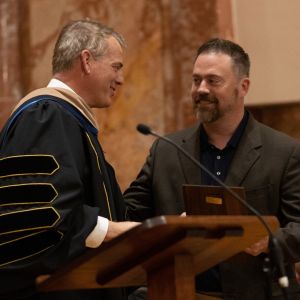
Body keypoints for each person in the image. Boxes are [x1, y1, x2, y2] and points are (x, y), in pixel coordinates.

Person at [124, 38, 300, 299]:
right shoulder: (166, 149)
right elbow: (129, 214)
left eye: (213, 81)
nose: (201, 89)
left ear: (243, 87)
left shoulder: (284, 152)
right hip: (179, 291)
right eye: (196, 80)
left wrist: (268, 241)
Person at [0, 19, 138, 300]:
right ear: (86, 60)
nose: (121, 79)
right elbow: (42, 218)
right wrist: (111, 231)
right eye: (116, 66)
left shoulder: (66, 119)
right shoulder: (46, 115)